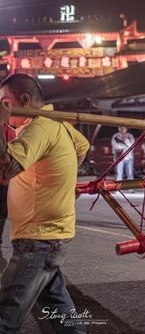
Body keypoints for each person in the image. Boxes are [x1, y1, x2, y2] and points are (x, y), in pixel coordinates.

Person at [0, 74, 89, 333]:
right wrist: (60, 180)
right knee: (60, 311)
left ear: (24, 100)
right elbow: (83, 146)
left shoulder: (39, 126)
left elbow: (6, 168)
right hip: (48, 236)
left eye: (6, 102)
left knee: (5, 317)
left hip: (39, 239)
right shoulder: (55, 123)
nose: (5, 108)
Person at [0, 124, 15, 247]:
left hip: (3, 183)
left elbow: (9, 157)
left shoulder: (9, 131)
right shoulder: (10, 131)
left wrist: (8, 177)